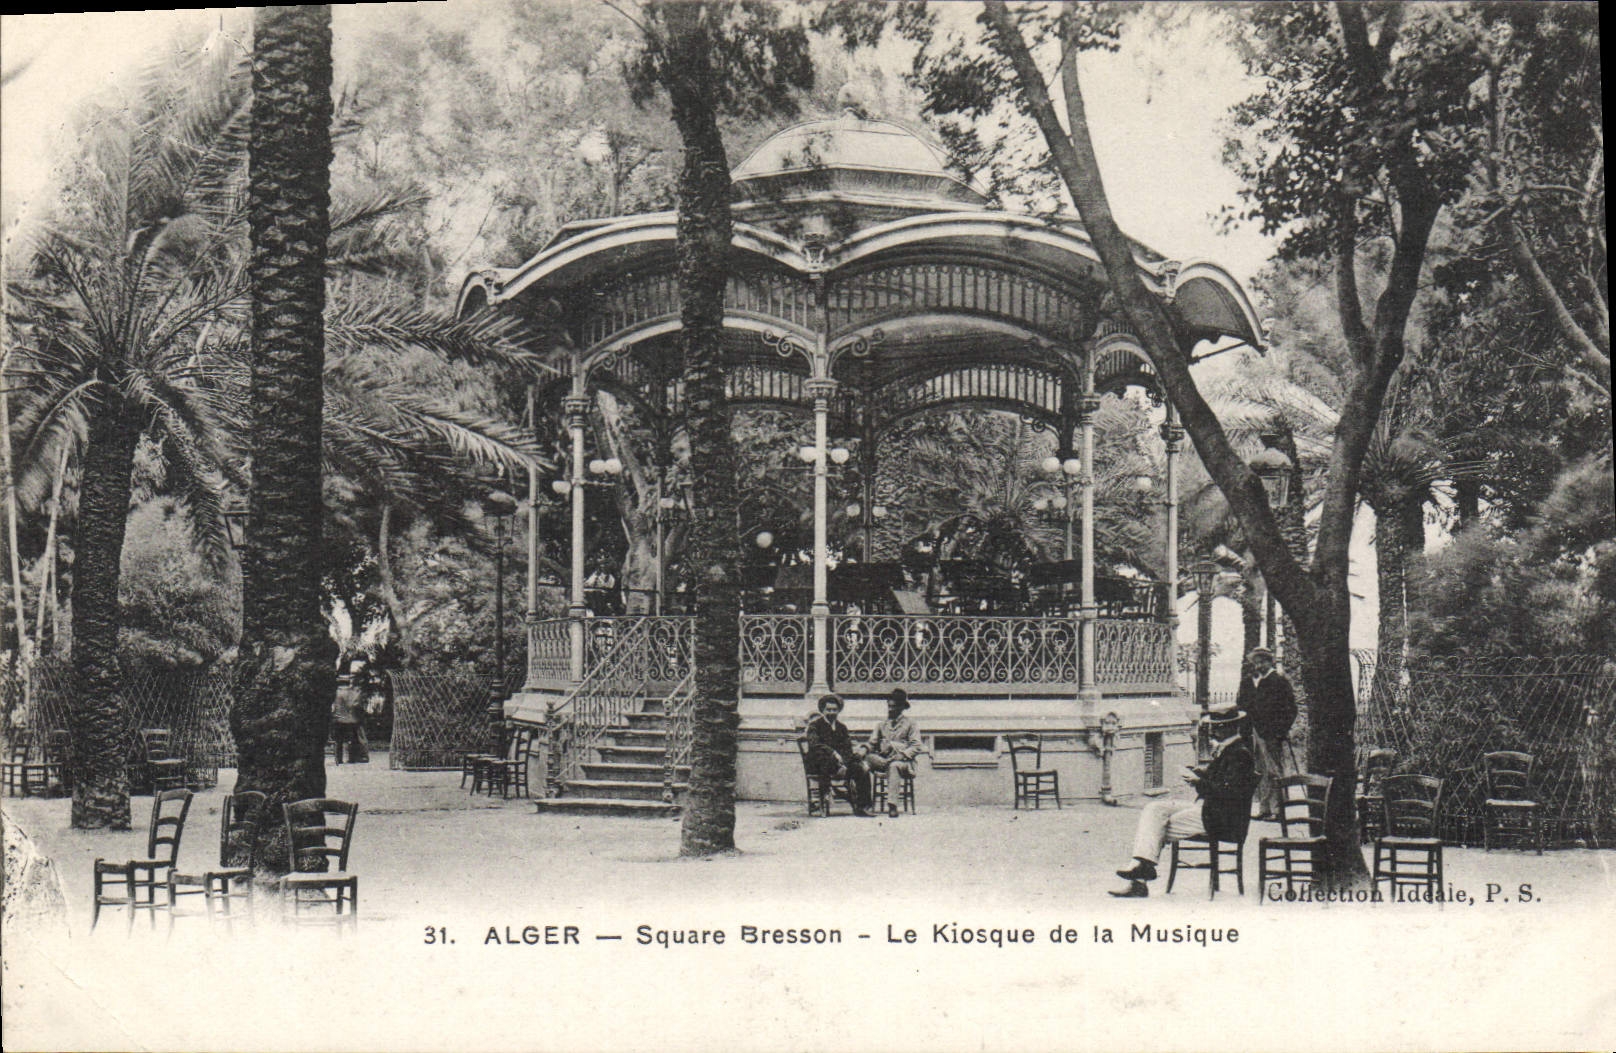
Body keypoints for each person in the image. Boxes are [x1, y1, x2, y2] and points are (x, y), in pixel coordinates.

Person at [1108, 708, 1258, 897]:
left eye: (1216, 728)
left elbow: (1230, 793)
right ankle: (1140, 870)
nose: (1212, 732)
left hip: (1221, 818)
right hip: (1209, 810)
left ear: (1227, 728)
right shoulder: (1230, 750)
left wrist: (1199, 782)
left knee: (1155, 829)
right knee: (1154, 809)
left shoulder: (1240, 754)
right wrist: (1200, 773)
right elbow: (1220, 780)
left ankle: (1139, 878)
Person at [1235, 647, 1297, 820]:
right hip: (1254, 732)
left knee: (1274, 770)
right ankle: (1265, 809)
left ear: (1270, 662)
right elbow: (1242, 705)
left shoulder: (1279, 681)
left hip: (1271, 734)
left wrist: (1280, 730)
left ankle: (1279, 810)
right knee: (1259, 770)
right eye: (1256, 662)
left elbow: (1291, 709)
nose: (1259, 665)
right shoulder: (1253, 682)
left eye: (1262, 661)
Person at [804, 694, 872, 817]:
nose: (831, 712)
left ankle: (862, 806)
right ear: (823, 710)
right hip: (820, 763)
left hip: (840, 764)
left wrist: (844, 763)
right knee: (825, 759)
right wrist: (834, 753)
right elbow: (815, 745)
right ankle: (830, 794)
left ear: (838, 710)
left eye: (834, 710)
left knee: (861, 768)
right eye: (828, 710)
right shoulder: (815, 726)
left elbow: (847, 748)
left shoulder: (842, 727)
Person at [865, 688, 923, 817]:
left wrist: (901, 753)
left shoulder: (911, 724)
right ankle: (864, 803)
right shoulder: (881, 725)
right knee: (866, 761)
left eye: (894, 706)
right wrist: (864, 749)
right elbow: (872, 742)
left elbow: (917, 746)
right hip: (883, 760)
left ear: (902, 707)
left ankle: (892, 805)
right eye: (889, 706)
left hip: (903, 763)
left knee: (893, 766)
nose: (890, 709)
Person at [331, 674, 367, 764]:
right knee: (352, 739)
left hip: (339, 719)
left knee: (338, 740)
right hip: (352, 719)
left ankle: (339, 759)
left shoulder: (336, 692)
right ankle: (352, 758)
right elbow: (357, 705)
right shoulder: (354, 692)